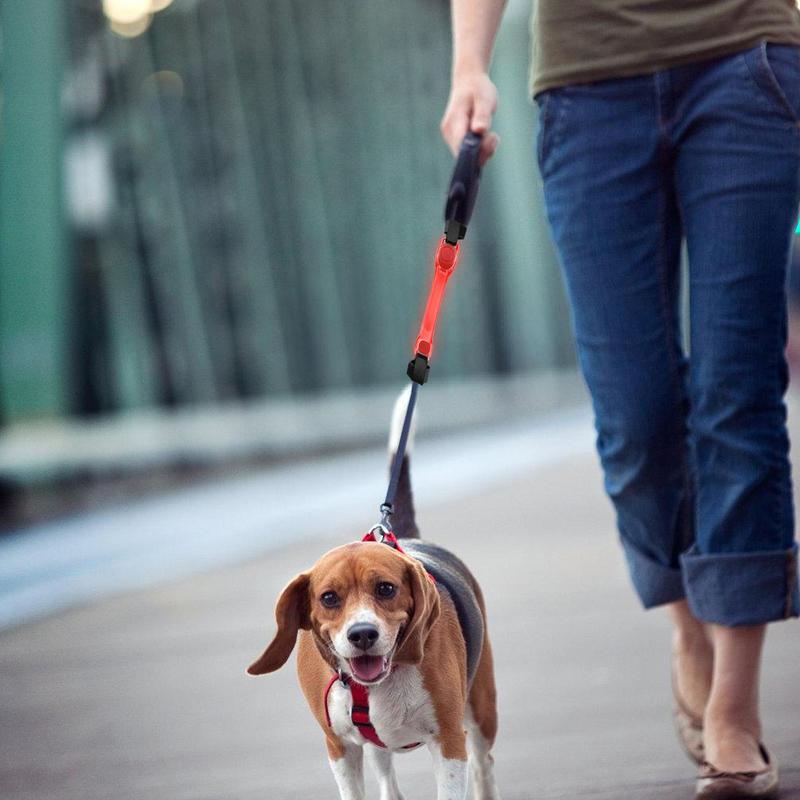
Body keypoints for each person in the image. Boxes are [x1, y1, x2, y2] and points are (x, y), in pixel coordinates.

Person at [440, 2, 800, 798]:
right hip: (585, 84)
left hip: (745, 57)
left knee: (737, 392)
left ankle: (734, 712)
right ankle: (687, 624)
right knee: (633, 413)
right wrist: (470, 64)